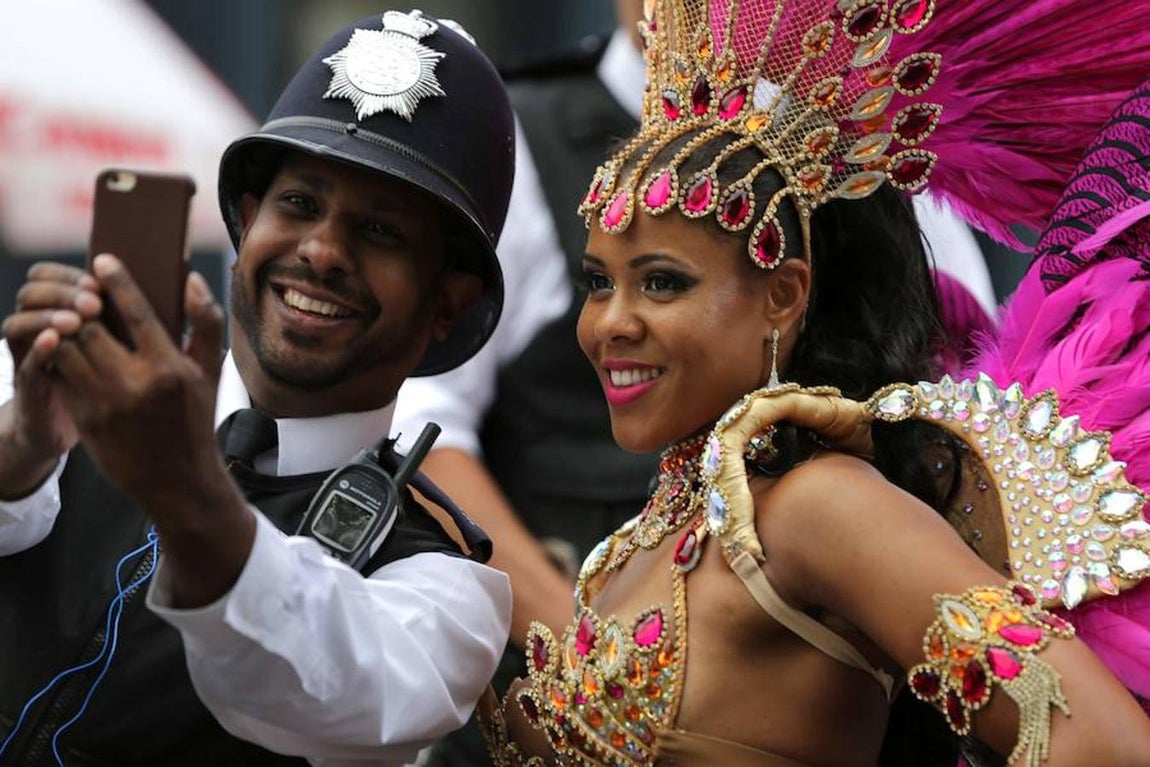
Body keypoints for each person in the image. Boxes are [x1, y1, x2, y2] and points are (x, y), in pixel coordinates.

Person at [481, 0, 1150, 765]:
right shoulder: (663, 526)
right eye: (599, 282)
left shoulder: (820, 505)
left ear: (783, 295)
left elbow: (1104, 743)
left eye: (662, 283)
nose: (610, 324)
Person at [0, 9, 515, 766]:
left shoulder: (444, 593)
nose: (323, 251)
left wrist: (186, 485)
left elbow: (298, 681)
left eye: (381, 232)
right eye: (300, 203)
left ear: (449, 302)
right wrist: (21, 450)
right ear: (246, 221)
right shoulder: (38, 388)